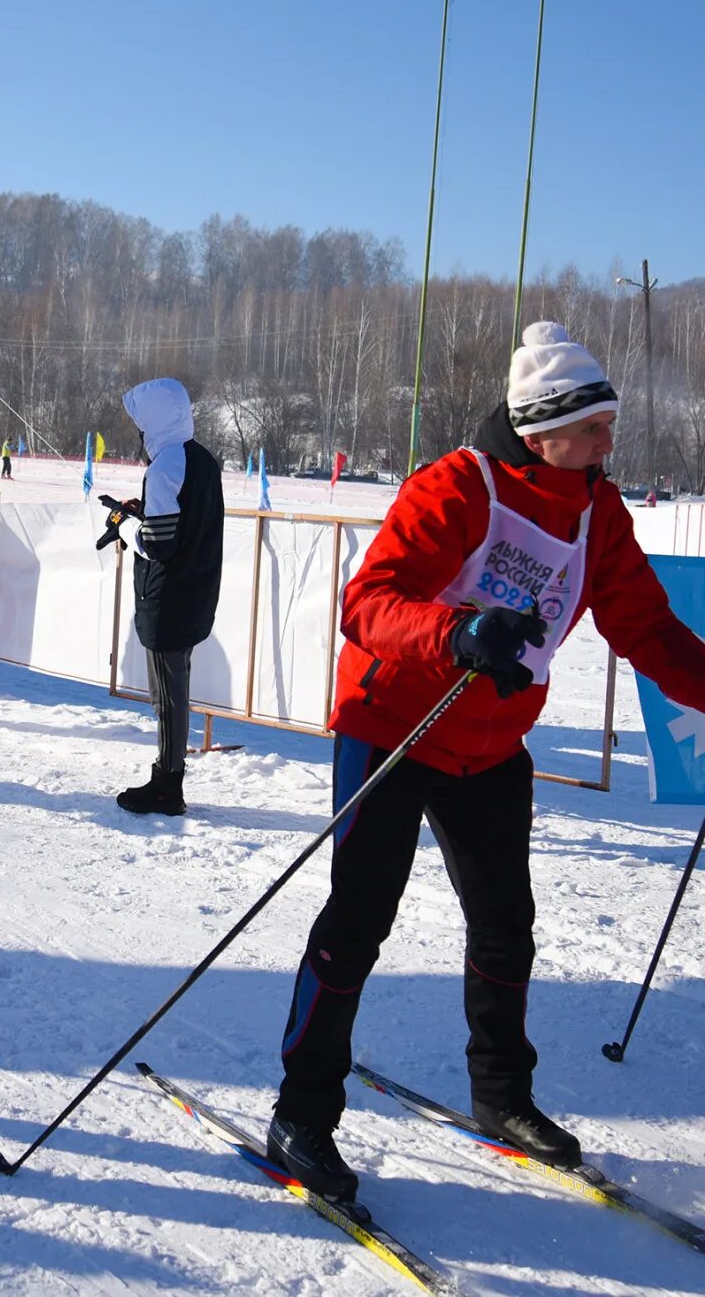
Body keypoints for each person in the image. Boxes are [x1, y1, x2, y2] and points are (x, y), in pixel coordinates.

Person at [267, 322, 705, 1204]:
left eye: (609, 426)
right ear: (544, 432)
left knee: (507, 923)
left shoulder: (597, 514)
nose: (608, 442)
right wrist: (458, 631)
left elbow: (647, 629)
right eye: (593, 429)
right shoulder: (457, 486)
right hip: (394, 723)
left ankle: (503, 1097)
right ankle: (301, 1114)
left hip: (493, 745)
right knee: (359, 919)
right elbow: (368, 603)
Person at [101, 378, 222, 816]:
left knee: (167, 697)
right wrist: (141, 510)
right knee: (174, 691)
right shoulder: (201, 458)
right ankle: (166, 776)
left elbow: (161, 542)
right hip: (195, 592)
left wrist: (126, 527)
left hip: (169, 598)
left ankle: (167, 786)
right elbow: (184, 521)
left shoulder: (167, 464)